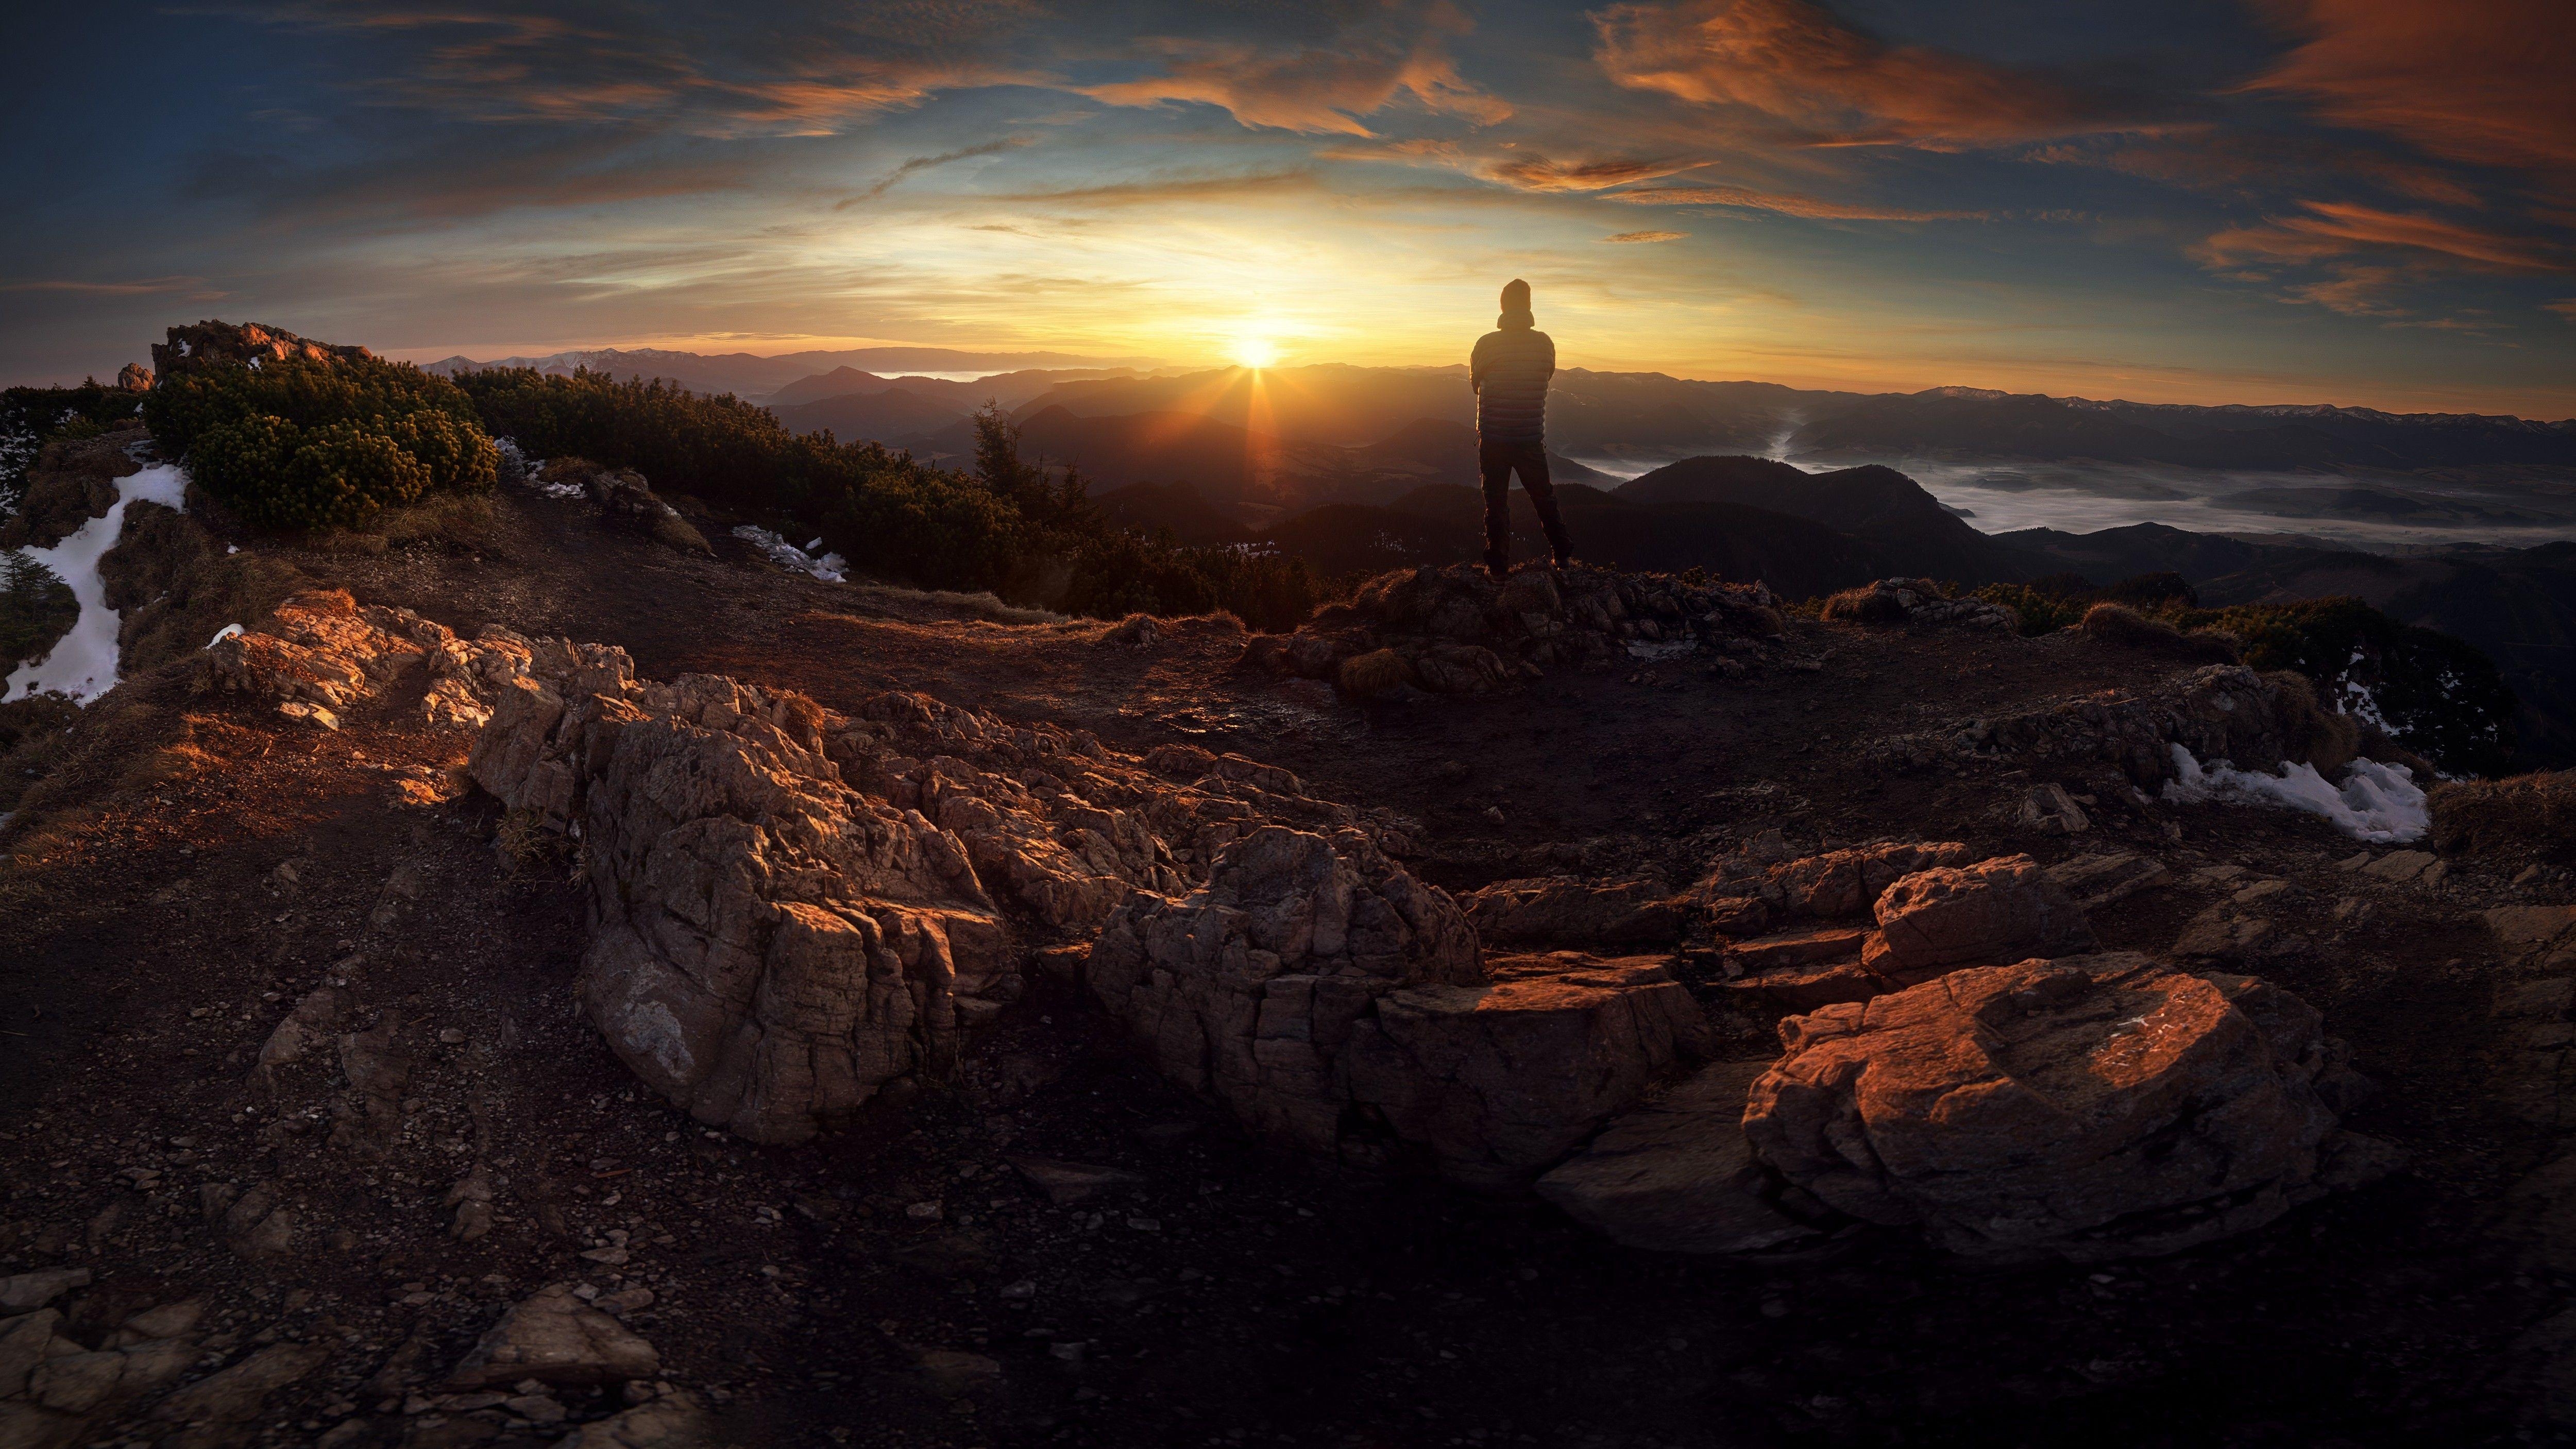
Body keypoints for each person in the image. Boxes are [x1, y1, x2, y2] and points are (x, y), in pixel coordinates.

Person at [1469, 277, 1571, 578]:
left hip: (1494, 436)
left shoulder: (1486, 344)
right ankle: (1563, 557)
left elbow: (1476, 384)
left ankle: (1499, 568)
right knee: (1544, 497)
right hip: (1530, 436)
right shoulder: (1545, 343)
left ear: (1502, 306)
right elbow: (1547, 376)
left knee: (1496, 501)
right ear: (1528, 305)